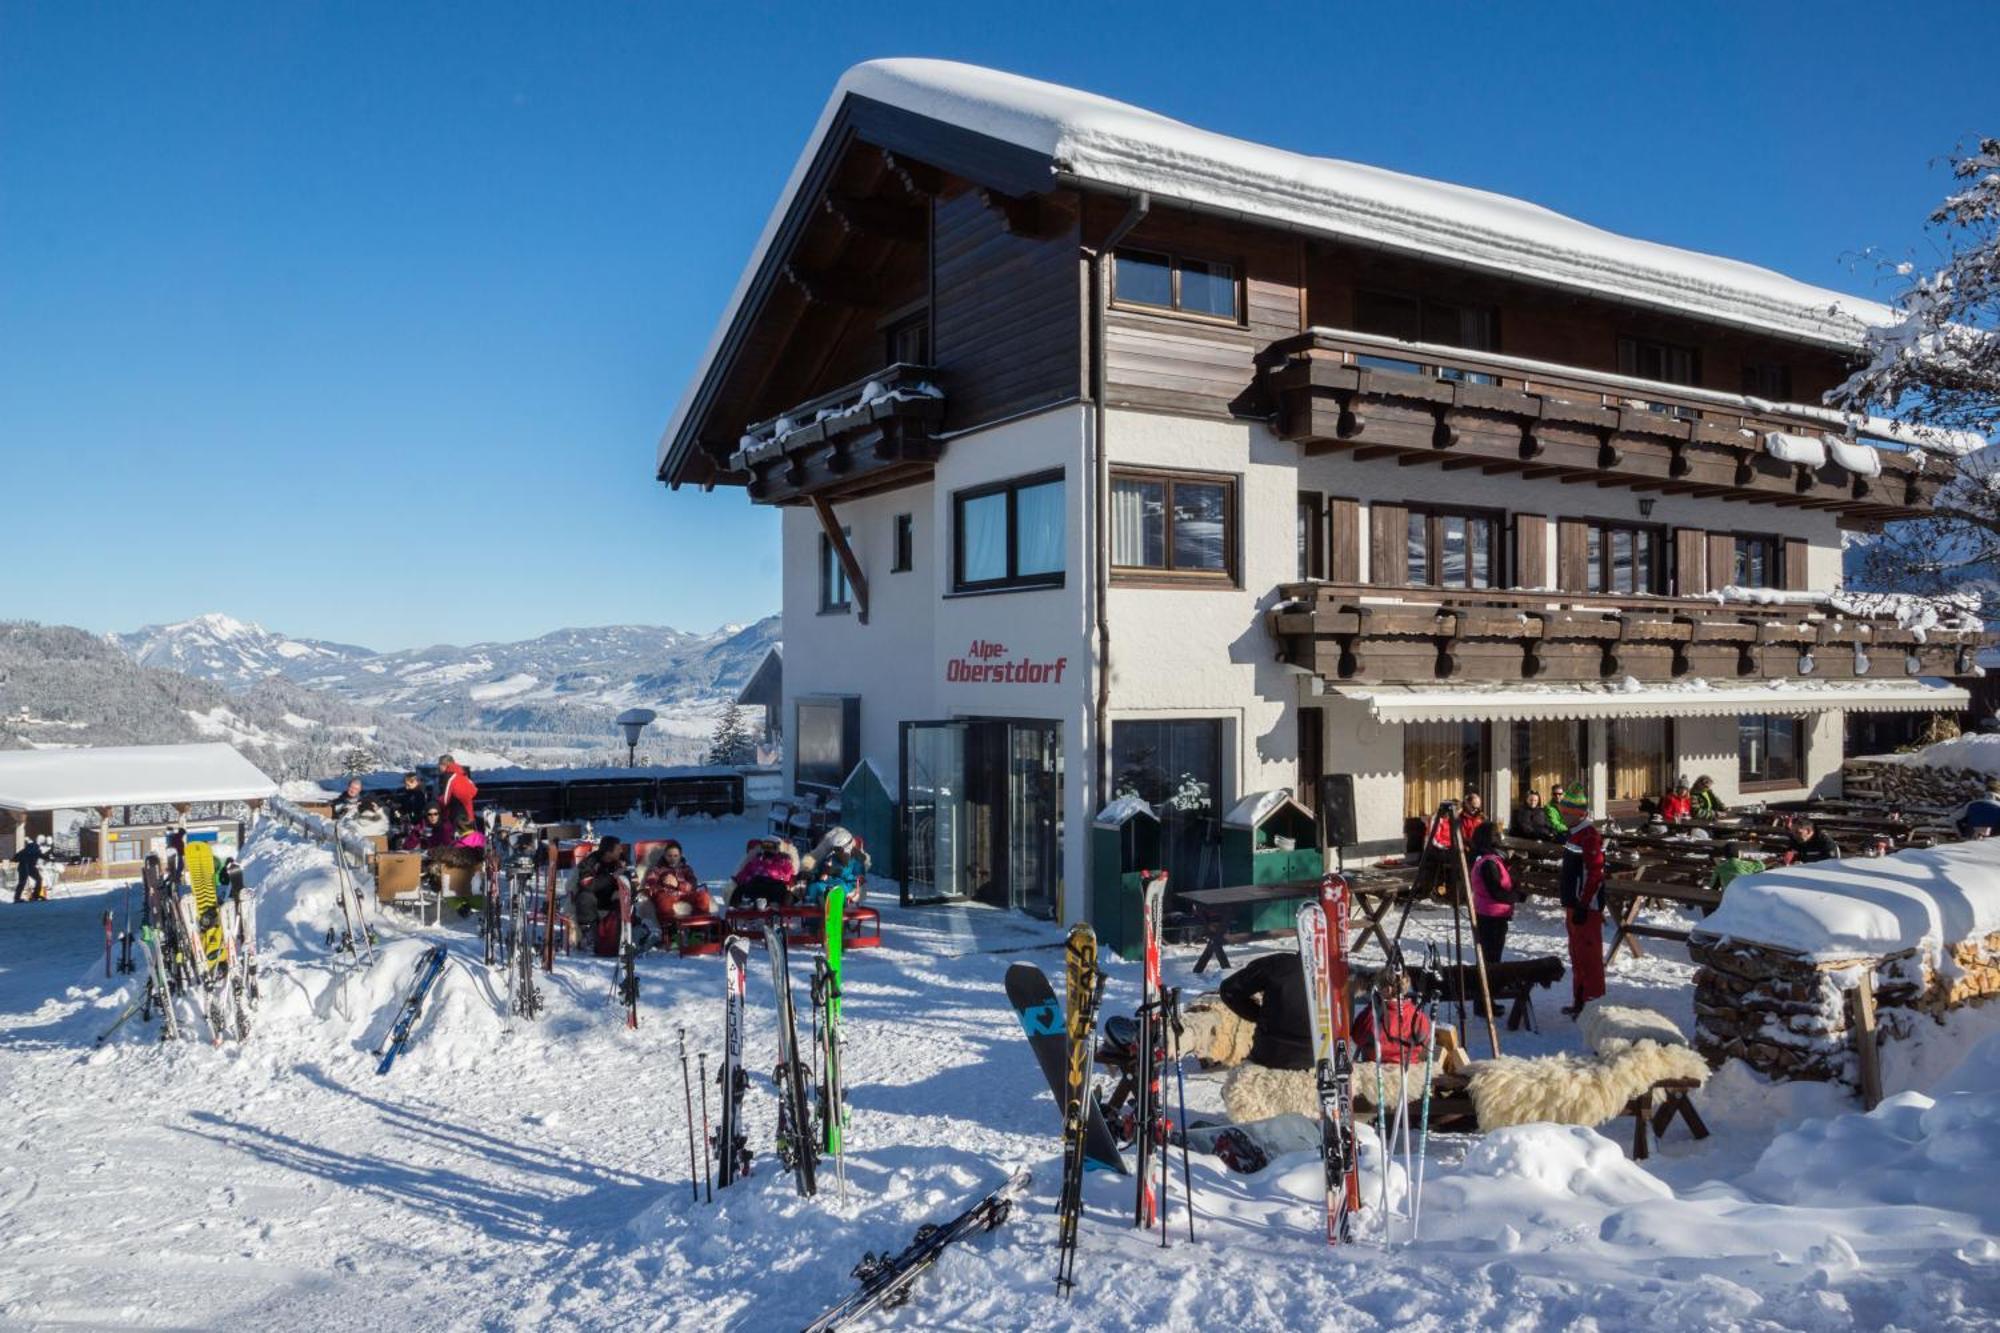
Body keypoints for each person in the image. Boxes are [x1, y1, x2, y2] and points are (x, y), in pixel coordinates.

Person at [1555, 783, 1606, 1017]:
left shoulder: (1589, 836)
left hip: (1586, 907)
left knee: (1589, 958)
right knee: (1577, 956)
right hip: (1573, 905)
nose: (1562, 817)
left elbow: (1595, 873)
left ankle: (1593, 1006)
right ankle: (1579, 1001)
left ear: (1577, 814)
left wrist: (1584, 904)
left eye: (1565, 814)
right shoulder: (1574, 834)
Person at [1217, 950, 1313, 1071]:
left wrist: (1259, 1015)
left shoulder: (1278, 965)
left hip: (1271, 1054)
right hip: (1326, 1059)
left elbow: (1229, 990)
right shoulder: (1340, 969)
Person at [1350, 966, 1433, 1067]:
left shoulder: (1373, 1016)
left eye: (1379, 987)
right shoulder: (1418, 1016)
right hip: (1410, 1070)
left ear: (1388, 990)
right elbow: (1425, 1039)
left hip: (1376, 1071)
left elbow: (1357, 1036)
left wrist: (1371, 1009)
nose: (1377, 991)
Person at [1467, 822, 1517, 967]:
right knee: (1491, 958)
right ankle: (1489, 986)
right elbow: (1496, 891)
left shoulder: (1491, 858)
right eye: (1496, 834)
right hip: (1491, 916)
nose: (1500, 837)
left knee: (1491, 956)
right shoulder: (1488, 862)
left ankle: (1489, 983)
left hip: (1494, 914)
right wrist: (1517, 896)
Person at [571, 835, 629, 935]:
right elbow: (587, 885)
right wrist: (612, 877)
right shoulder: (590, 862)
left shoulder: (621, 861)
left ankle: (627, 932)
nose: (621, 851)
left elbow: (632, 882)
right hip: (594, 899)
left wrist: (625, 877)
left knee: (624, 897)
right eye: (618, 849)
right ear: (608, 852)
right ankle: (588, 931)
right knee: (585, 897)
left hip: (610, 897)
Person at [641, 840, 713, 920]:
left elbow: (693, 884)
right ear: (664, 856)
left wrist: (678, 884)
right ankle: (671, 925)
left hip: (685, 895)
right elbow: (649, 885)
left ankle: (699, 922)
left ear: (680, 855)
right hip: (667, 896)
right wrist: (661, 887)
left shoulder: (686, 868)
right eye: (669, 856)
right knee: (664, 901)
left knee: (704, 896)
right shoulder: (658, 869)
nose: (673, 859)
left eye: (675, 856)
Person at [730, 835, 801, 907]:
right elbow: (746, 872)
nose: (768, 850)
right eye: (765, 846)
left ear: (777, 848)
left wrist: (777, 874)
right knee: (741, 889)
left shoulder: (782, 861)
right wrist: (739, 879)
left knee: (780, 890)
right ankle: (740, 906)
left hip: (774, 884)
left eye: (771, 847)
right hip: (757, 884)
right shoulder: (756, 860)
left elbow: (789, 874)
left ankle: (775, 904)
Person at [436, 754, 478, 827]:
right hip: (469, 813)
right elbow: (474, 790)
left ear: (444, 765)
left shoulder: (449, 776)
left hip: (457, 815)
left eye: (439, 765)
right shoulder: (462, 773)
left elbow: (445, 800)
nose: (439, 768)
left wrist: (436, 802)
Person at [12, 836, 47, 903]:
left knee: (38, 879)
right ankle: (18, 898)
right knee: (23, 882)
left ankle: (35, 896)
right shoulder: (26, 851)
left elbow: (42, 856)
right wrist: (23, 859)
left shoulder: (32, 850)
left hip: (30, 867)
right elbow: (14, 859)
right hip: (23, 867)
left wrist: (50, 859)